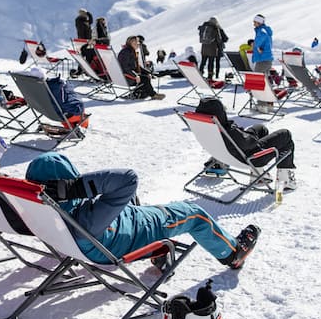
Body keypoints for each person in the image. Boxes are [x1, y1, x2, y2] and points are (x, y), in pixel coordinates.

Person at [25, 151, 261, 270]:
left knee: (123, 197)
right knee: (194, 212)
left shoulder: (35, 206)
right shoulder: (84, 220)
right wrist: (77, 187)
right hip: (131, 234)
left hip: (100, 232)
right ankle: (232, 254)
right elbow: (128, 179)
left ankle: (157, 252)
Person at [195, 97, 296, 190]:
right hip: (249, 158)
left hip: (225, 154)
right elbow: (249, 143)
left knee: (260, 128)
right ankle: (285, 180)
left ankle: (259, 175)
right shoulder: (228, 130)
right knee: (285, 135)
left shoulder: (204, 126)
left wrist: (243, 133)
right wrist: (242, 132)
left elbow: (242, 140)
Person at [118, 35, 165, 100]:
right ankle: (153, 95)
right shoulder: (126, 52)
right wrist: (135, 75)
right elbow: (124, 67)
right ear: (131, 43)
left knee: (146, 75)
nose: (138, 44)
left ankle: (140, 93)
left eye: (138, 42)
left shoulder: (131, 51)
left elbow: (137, 66)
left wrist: (149, 72)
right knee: (144, 78)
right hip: (126, 77)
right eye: (136, 42)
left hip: (129, 74)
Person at [251, 15, 275, 111]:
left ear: (259, 22)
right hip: (265, 60)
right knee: (264, 82)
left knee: (258, 82)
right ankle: (268, 103)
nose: (253, 23)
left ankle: (262, 105)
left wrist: (256, 46)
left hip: (263, 60)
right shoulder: (263, 31)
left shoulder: (262, 32)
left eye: (255, 22)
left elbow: (258, 43)